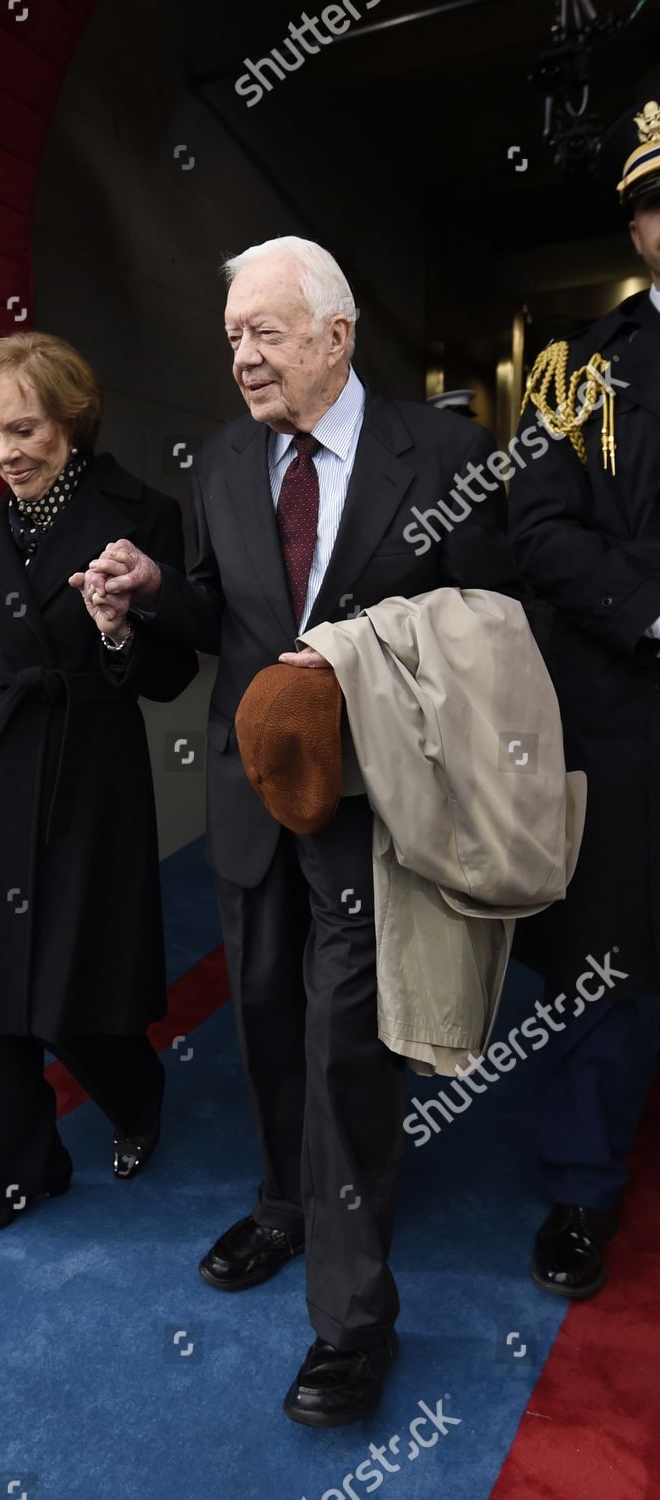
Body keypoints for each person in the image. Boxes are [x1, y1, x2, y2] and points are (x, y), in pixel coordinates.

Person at [70, 237, 517, 1426]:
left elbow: (488, 629)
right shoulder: (222, 463)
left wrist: (364, 662)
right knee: (265, 1022)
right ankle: (282, 1200)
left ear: (337, 335)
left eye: (266, 334)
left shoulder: (450, 453)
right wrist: (152, 597)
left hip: (377, 806)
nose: (244, 359)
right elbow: (224, 617)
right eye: (231, 340)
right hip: (250, 801)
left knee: (347, 1051)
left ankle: (352, 1322)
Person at [0, 331, 197, 1237]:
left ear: (72, 419)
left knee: (82, 976)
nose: (5, 454)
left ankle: (138, 1096)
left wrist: (120, 627)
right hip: (3, 767)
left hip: (93, 768)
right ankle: (12, 1171)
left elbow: (169, 676)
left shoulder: (143, 511)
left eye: (23, 429)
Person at [507, 99, 660, 1299]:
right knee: (600, 959)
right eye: (658, 201)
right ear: (637, 222)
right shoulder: (579, 370)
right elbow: (538, 529)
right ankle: (580, 1187)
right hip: (621, 710)